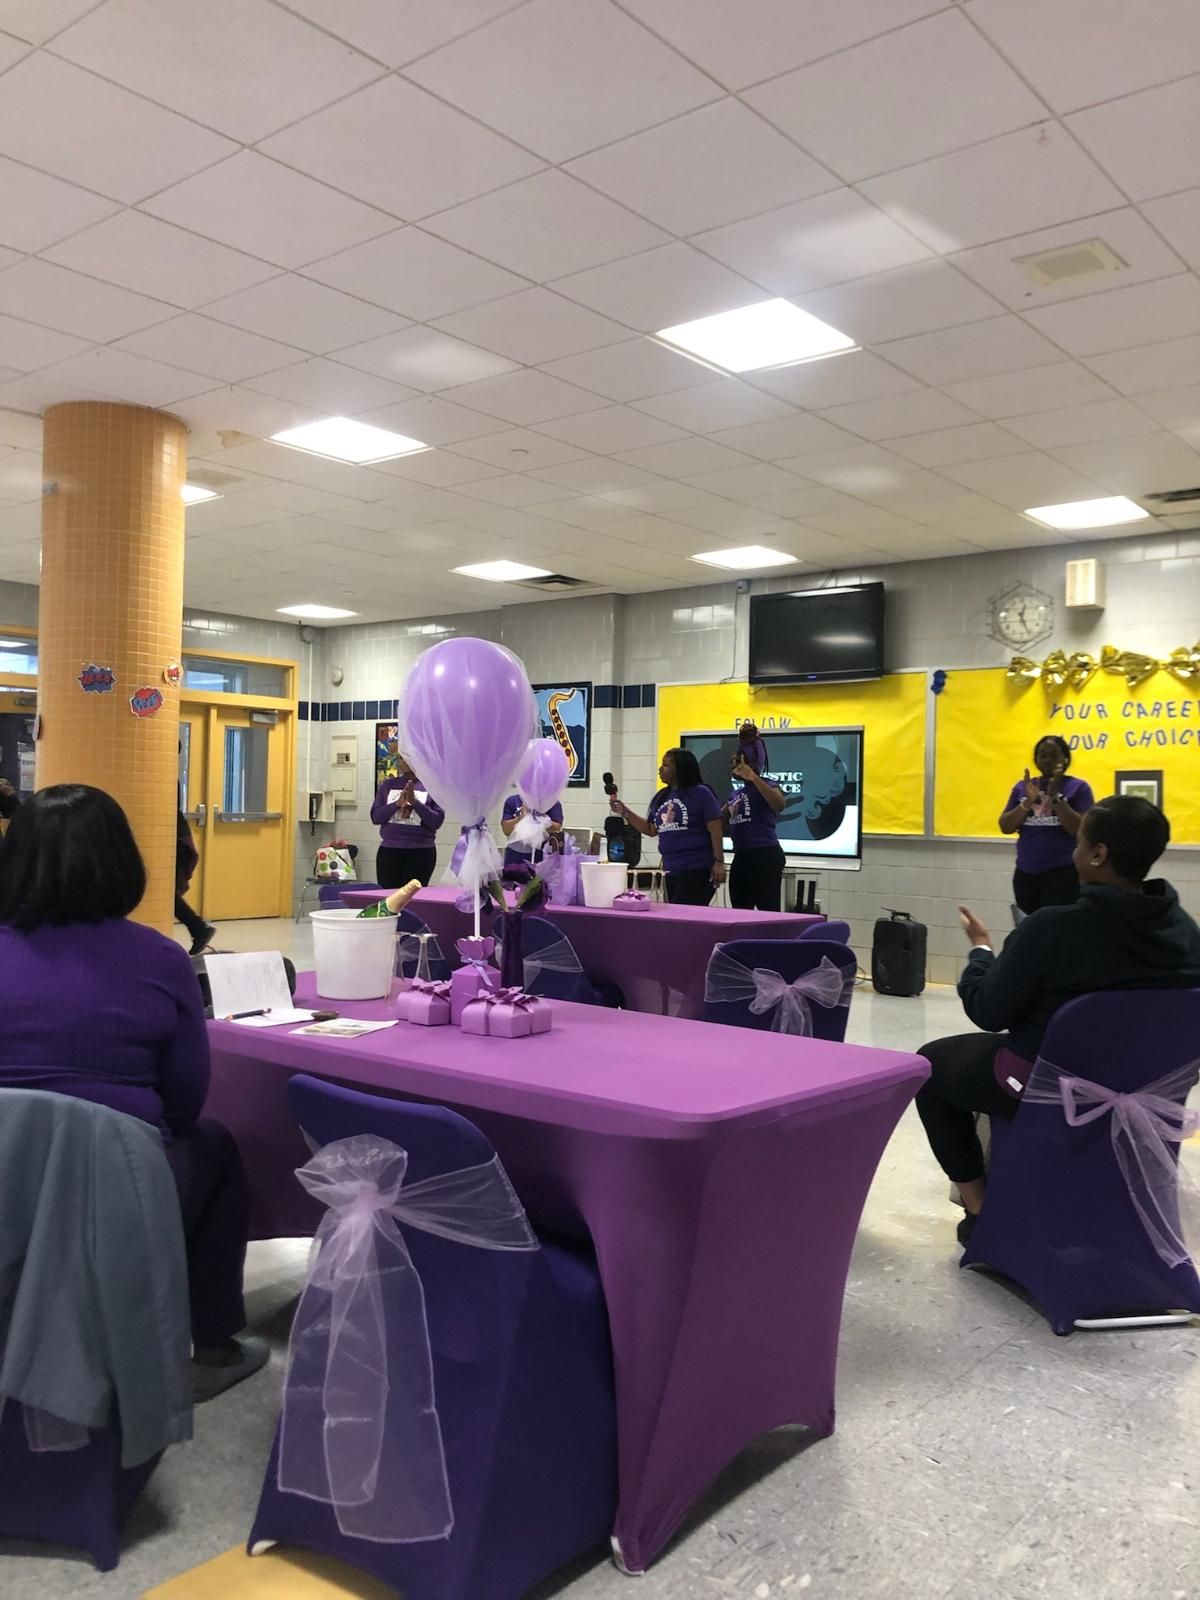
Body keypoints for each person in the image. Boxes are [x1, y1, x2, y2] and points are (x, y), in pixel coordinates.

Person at [0, 784, 267, 1399]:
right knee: (217, 1146)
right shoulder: (159, 958)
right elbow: (185, 1101)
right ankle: (213, 1345)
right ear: (125, 864)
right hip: (117, 1190)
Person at [916, 795, 1200, 1246]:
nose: (1072, 851)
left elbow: (987, 1010)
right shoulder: (1186, 932)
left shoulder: (1052, 928)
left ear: (1097, 854)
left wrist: (981, 952)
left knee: (929, 1066)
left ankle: (983, 1212)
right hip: (1147, 1088)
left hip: (1049, 1085)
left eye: (1078, 841)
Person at [611, 748, 725, 906]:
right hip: (671, 869)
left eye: (666, 765)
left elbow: (715, 828)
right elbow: (650, 829)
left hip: (696, 868)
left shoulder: (701, 793)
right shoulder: (662, 796)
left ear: (680, 768)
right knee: (678, 918)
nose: (660, 769)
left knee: (684, 919)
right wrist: (625, 812)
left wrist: (719, 861)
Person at [1000, 735, 1093, 914]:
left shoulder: (1079, 787)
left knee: (1057, 930)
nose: (1048, 760)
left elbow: (1080, 830)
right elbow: (1006, 826)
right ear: (1036, 759)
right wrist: (1027, 802)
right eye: (1043, 755)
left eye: (1054, 755)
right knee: (1029, 927)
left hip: (1063, 872)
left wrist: (1056, 797)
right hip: (1026, 872)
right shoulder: (1024, 787)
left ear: (1065, 759)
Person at [723, 740, 785, 911]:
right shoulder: (736, 794)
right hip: (742, 856)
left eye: (737, 760)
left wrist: (754, 778)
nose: (733, 764)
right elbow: (719, 820)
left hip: (765, 854)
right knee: (740, 910)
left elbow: (779, 804)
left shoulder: (767, 784)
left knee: (768, 910)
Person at [370, 756, 445, 889]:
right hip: (390, 850)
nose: (402, 762)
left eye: (406, 758)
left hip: (421, 852)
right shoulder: (388, 785)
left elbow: (436, 821)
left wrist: (415, 803)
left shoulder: (432, 787)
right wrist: (396, 804)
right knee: (389, 898)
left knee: (414, 899)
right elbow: (376, 817)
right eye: (400, 758)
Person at [175, 785, 215, 956]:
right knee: (168, 894)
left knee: (167, 893)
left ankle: (198, 928)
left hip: (177, 839)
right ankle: (198, 928)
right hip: (178, 836)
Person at [501, 791, 564, 870]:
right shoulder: (512, 801)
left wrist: (543, 818)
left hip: (541, 855)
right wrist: (520, 817)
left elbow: (557, 829)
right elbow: (506, 830)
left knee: (538, 881)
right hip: (515, 855)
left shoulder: (552, 803)